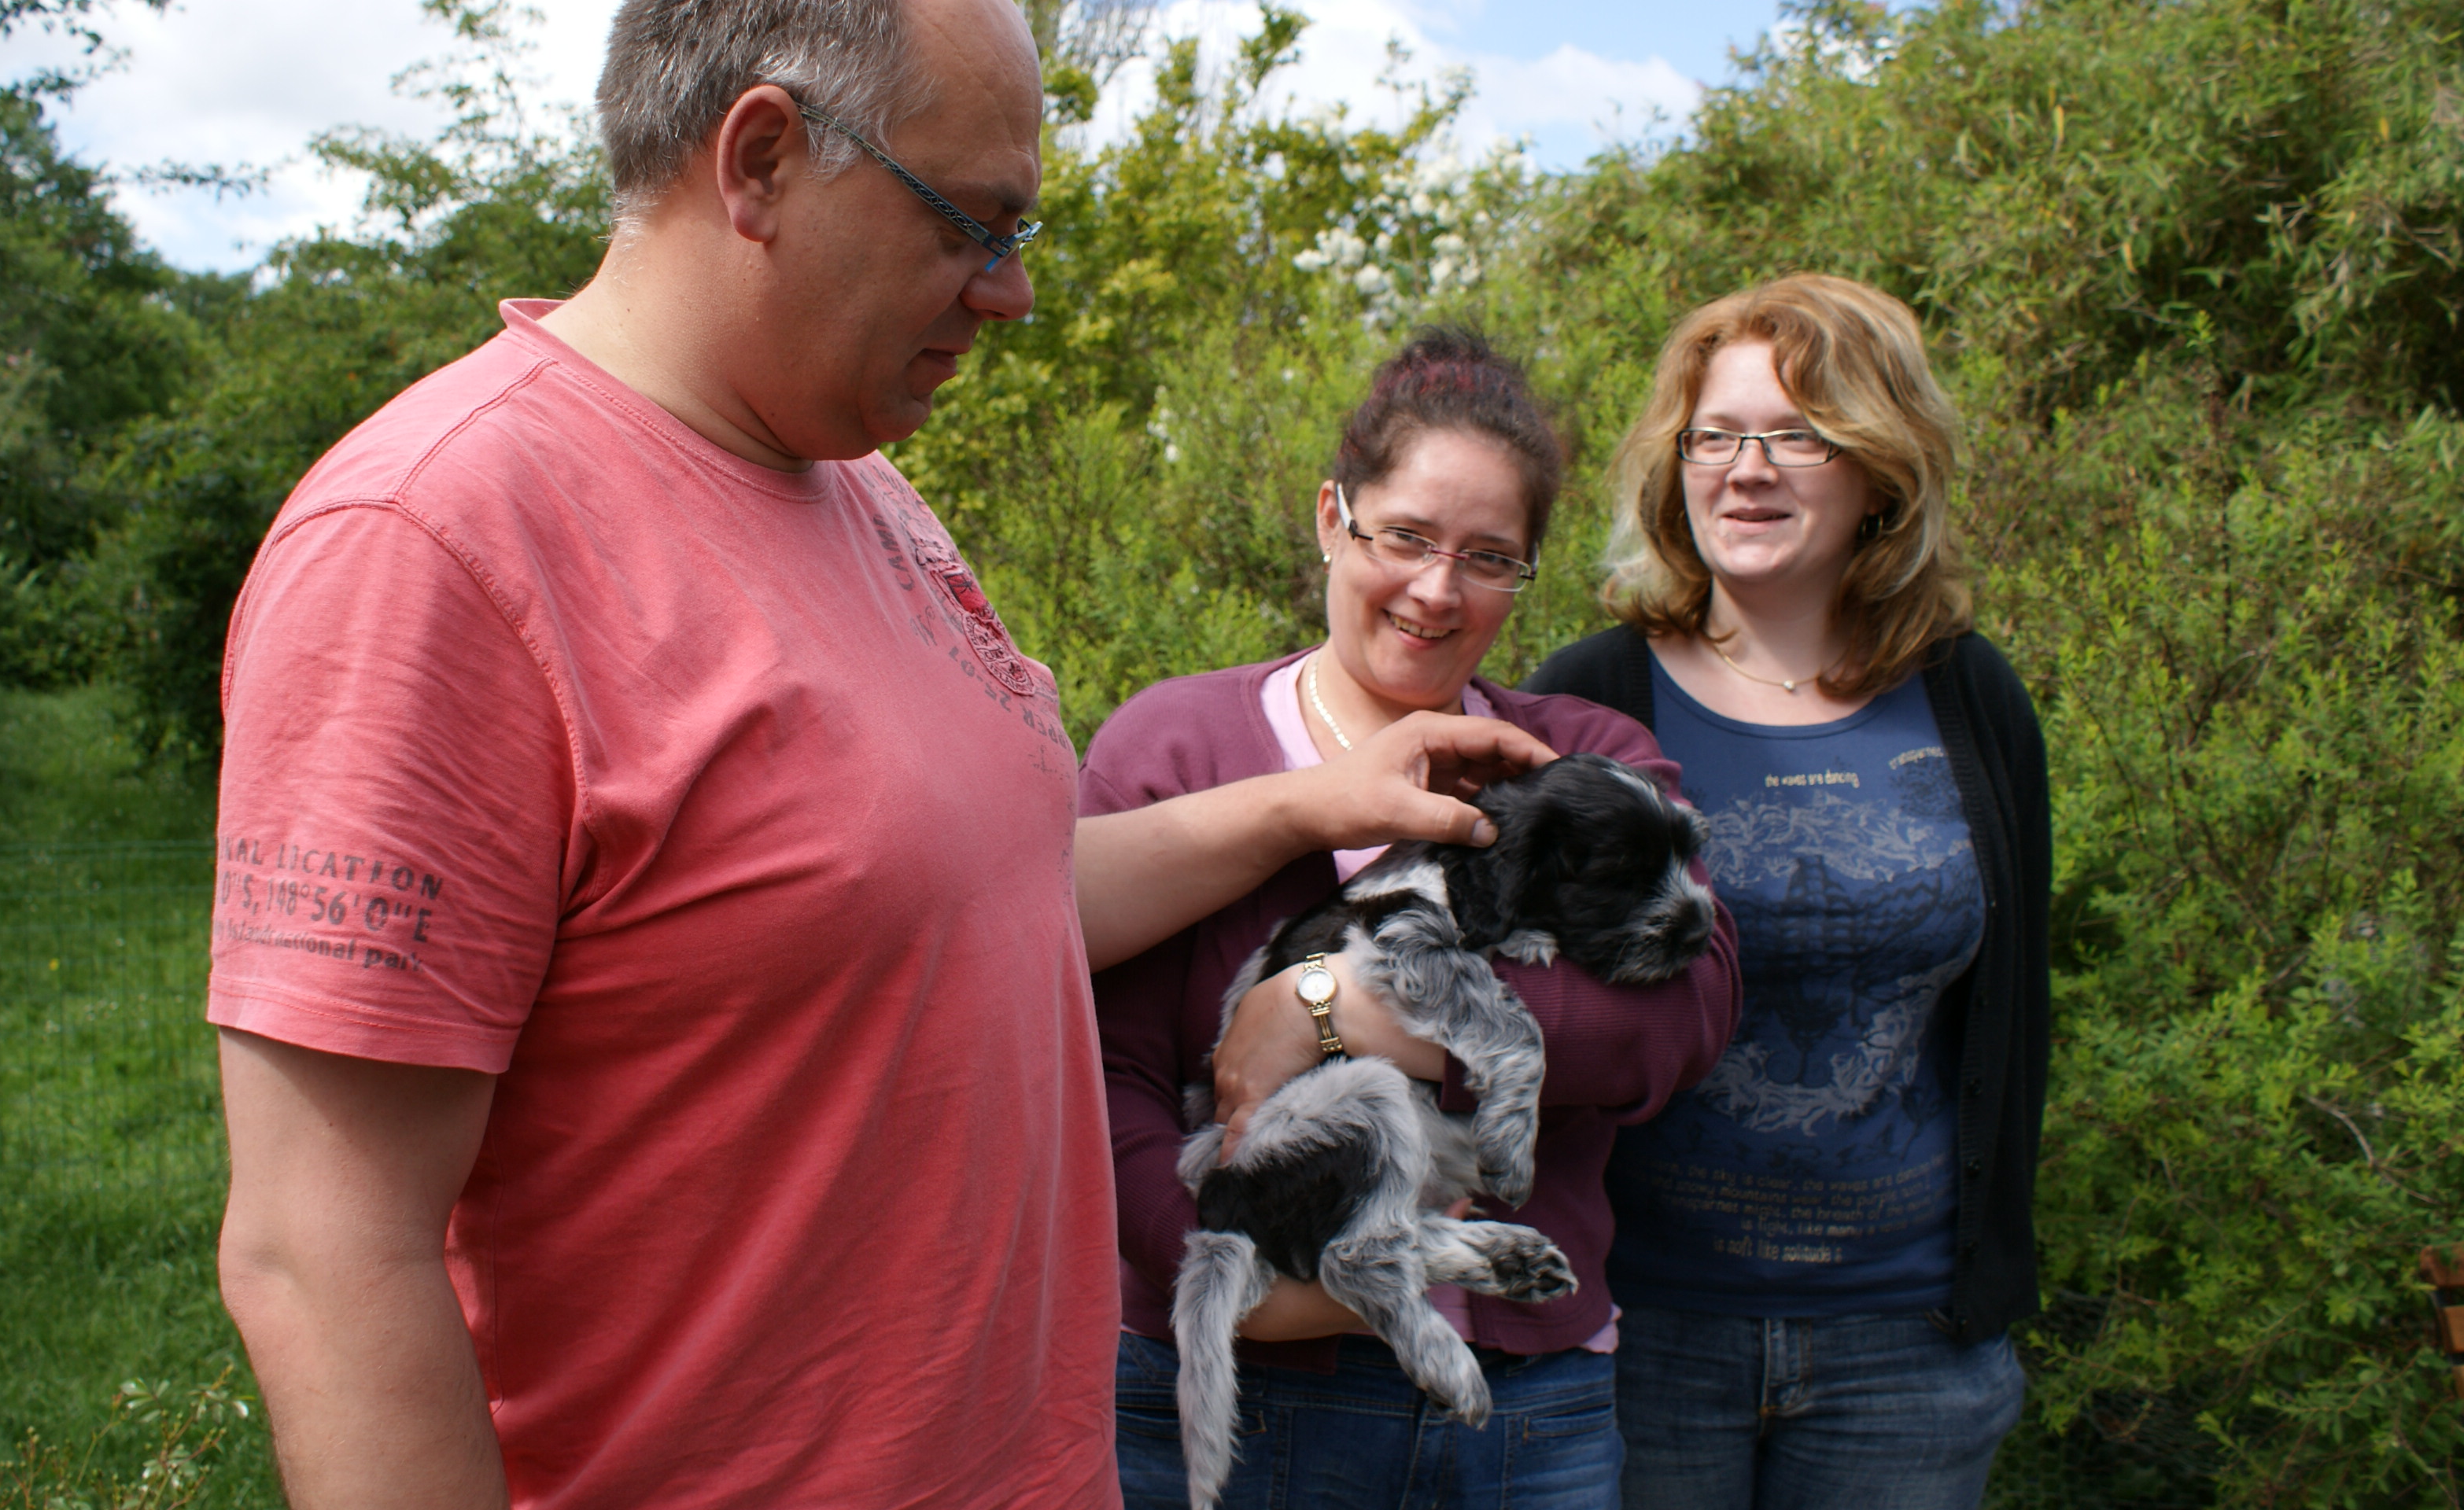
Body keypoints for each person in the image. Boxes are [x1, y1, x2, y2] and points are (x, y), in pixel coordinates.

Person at [204, 2, 1122, 1506]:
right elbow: (325, 1251)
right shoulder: (432, 542)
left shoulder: (861, 483)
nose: (1009, 293)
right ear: (759, 160)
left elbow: (960, 900)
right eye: (974, 224)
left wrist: (1308, 801)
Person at [1074, 328, 1743, 1509]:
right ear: (1334, 518)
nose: (1439, 590)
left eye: (1490, 557)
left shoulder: (1583, 758)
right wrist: (1230, 1269)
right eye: (1408, 538)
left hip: (1528, 1404)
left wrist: (1337, 1009)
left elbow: (1678, 1022)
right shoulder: (1176, 747)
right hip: (1251, 1381)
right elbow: (1102, 1071)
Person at [1520, 273, 2051, 1509]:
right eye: (1717, 435)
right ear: (1677, 464)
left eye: (1796, 435)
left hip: (1909, 1353)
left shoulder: (1973, 697)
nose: (1746, 469)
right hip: (1640, 1337)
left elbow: (2014, 1010)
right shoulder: (1592, 697)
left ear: (1881, 468)